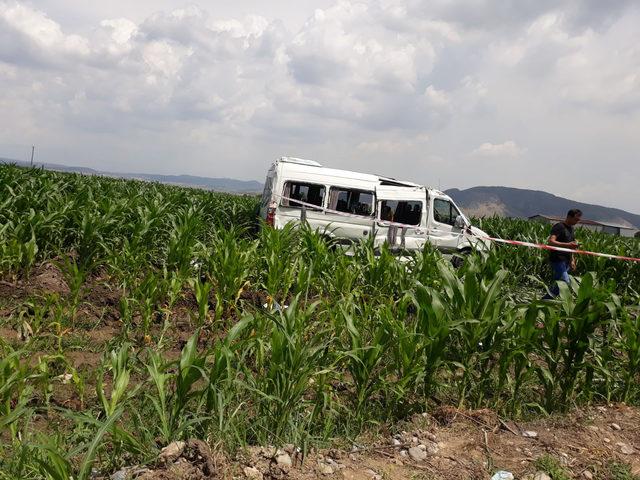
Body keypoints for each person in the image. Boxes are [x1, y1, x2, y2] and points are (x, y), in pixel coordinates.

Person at [542, 209, 582, 299]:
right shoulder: (559, 226)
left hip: (566, 260)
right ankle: (545, 299)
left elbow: (571, 246)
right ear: (569, 217)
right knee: (564, 282)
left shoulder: (571, 229)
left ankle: (547, 301)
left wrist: (572, 260)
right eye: (576, 219)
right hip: (557, 259)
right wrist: (568, 245)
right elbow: (551, 241)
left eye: (579, 220)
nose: (577, 221)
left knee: (557, 283)